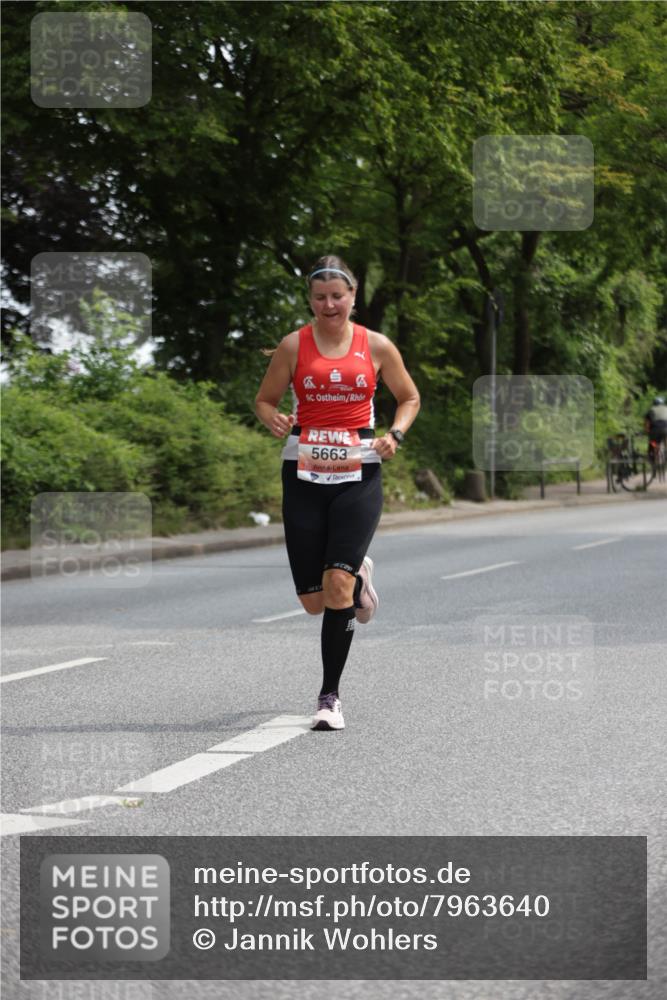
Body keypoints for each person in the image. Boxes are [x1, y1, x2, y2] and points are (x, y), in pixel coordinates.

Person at [255, 255, 420, 731]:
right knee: (314, 601)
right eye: (320, 297)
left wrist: (396, 434)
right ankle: (361, 575)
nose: (329, 305)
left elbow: (409, 397)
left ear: (352, 297)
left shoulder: (377, 345)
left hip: (359, 474)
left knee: (337, 588)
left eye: (337, 296)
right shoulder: (293, 346)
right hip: (303, 475)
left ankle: (329, 698)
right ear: (310, 300)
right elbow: (265, 400)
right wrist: (272, 418)